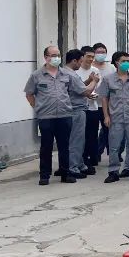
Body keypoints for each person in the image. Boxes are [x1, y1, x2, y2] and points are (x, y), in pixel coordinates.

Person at [23, 45, 84, 185]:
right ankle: (44, 175)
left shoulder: (66, 74)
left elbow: (75, 90)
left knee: (64, 146)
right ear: (46, 57)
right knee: (46, 147)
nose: (57, 58)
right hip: (46, 117)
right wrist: (37, 107)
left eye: (58, 55)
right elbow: (29, 94)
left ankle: (65, 173)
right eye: (53, 55)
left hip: (64, 115)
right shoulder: (37, 75)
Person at [98, 51, 129, 183]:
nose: (126, 63)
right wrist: (106, 116)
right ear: (117, 62)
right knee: (114, 146)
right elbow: (104, 98)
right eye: (123, 61)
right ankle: (113, 171)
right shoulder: (108, 79)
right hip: (115, 118)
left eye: (128, 61)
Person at [63, 49, 98, 180]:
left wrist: (88, 80)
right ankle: (74, 167)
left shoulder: (66, 72)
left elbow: (78, 87)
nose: (81, 64)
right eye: (80, 61)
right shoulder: (71, 75)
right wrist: (94, 81)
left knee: (77, 139)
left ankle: (79, 164)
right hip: (76, 110)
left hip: (71, 110)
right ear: (74, 61)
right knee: (76, 140)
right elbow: (86, 92)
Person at [75, 46, 102, 173]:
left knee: (92, 135)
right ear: (82, 57)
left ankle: (92, 159)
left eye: (92, 57)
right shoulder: (76, 71)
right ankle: (82, 159)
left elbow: (98, 87)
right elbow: (78, 88)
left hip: (93, 107)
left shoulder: (95, 70)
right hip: (79, 108)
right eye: (88, 56)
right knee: (81, 136)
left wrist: (94, 94)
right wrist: (90, 83)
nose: (91, 59)